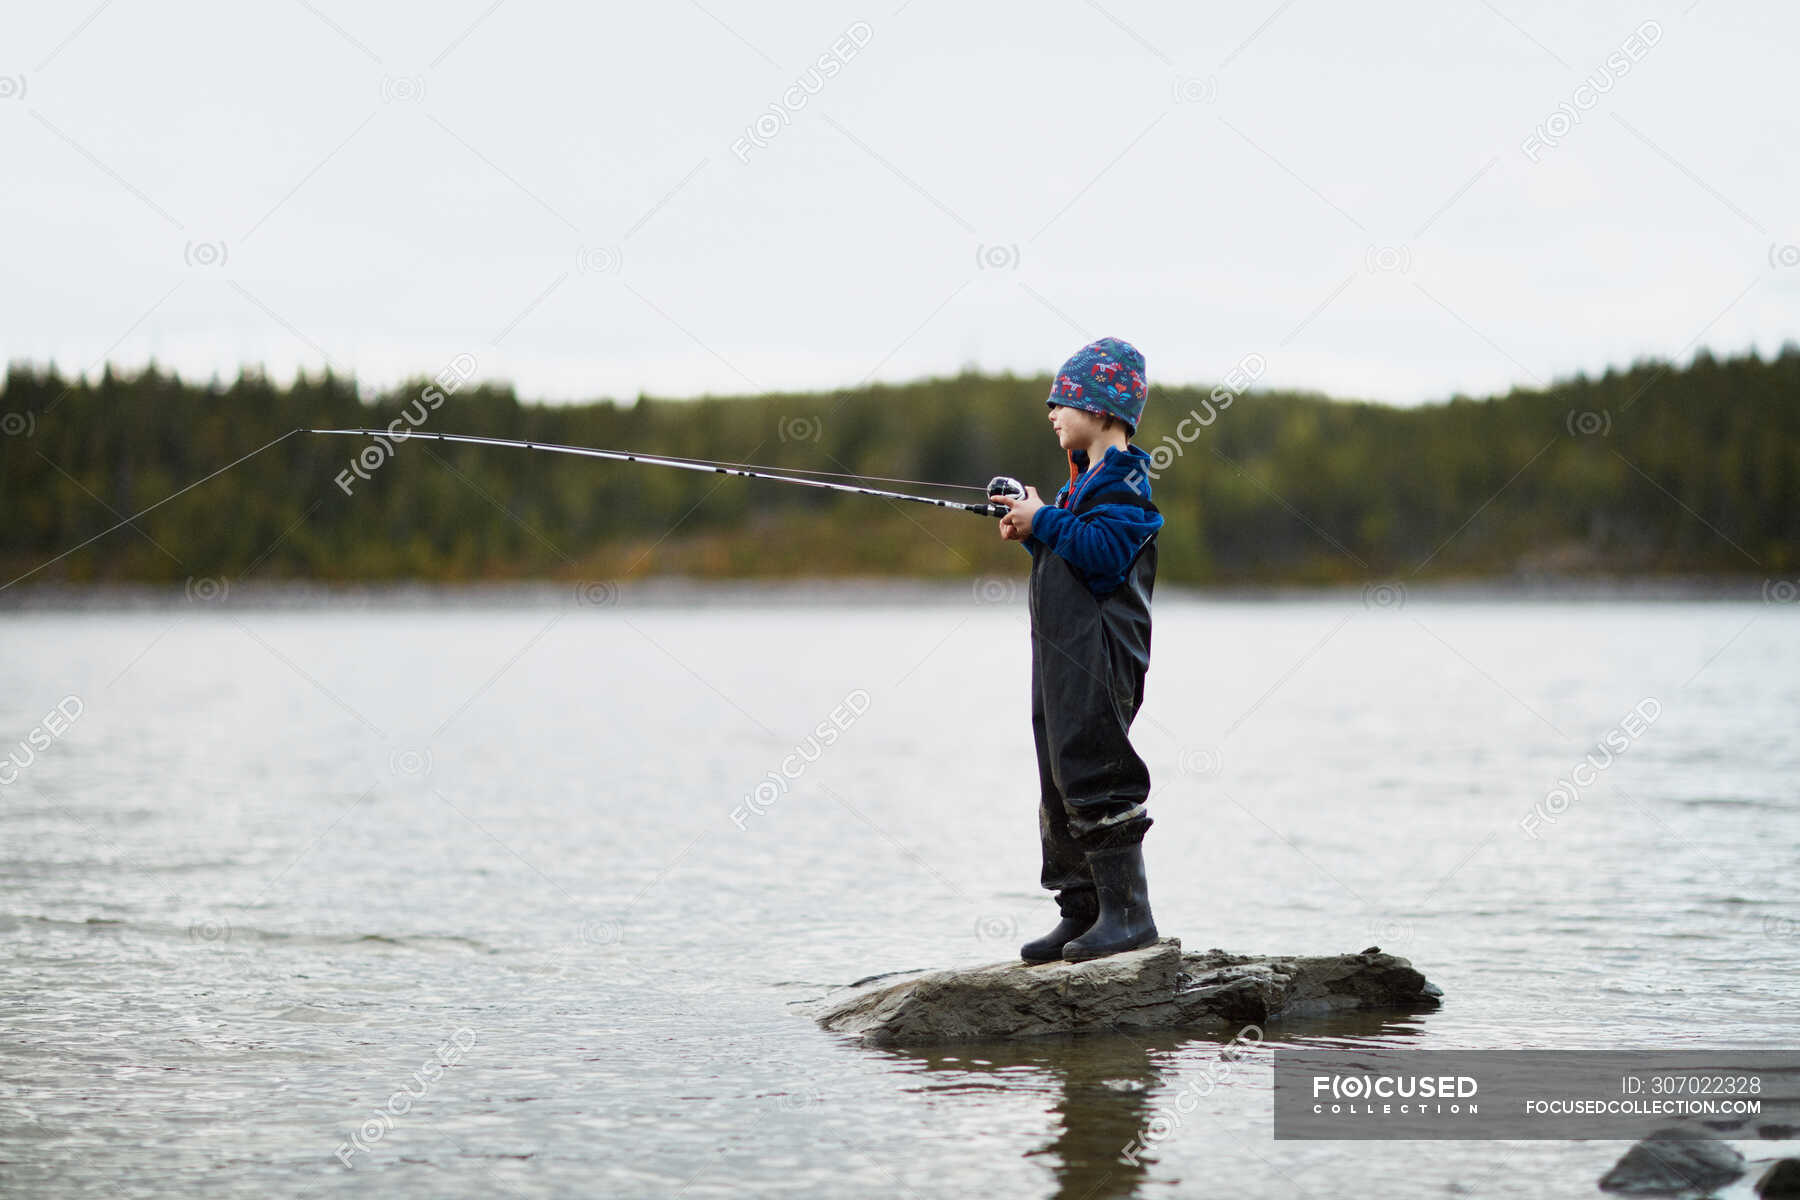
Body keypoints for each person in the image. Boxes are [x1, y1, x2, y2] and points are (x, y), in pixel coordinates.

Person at [993, 336, 1164, 963]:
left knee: (1095, 767)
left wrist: (1046, 521)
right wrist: (1034, 532)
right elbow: (1073, 551)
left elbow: (1103, 555)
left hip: (1101, 662)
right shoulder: (1082, 489)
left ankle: (1130, 917)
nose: (1052, 412)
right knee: (1059, 772)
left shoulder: (1124, 486)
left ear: (1103, 410)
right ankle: (1082, 912)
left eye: (1063, 400)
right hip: (1061, 662)